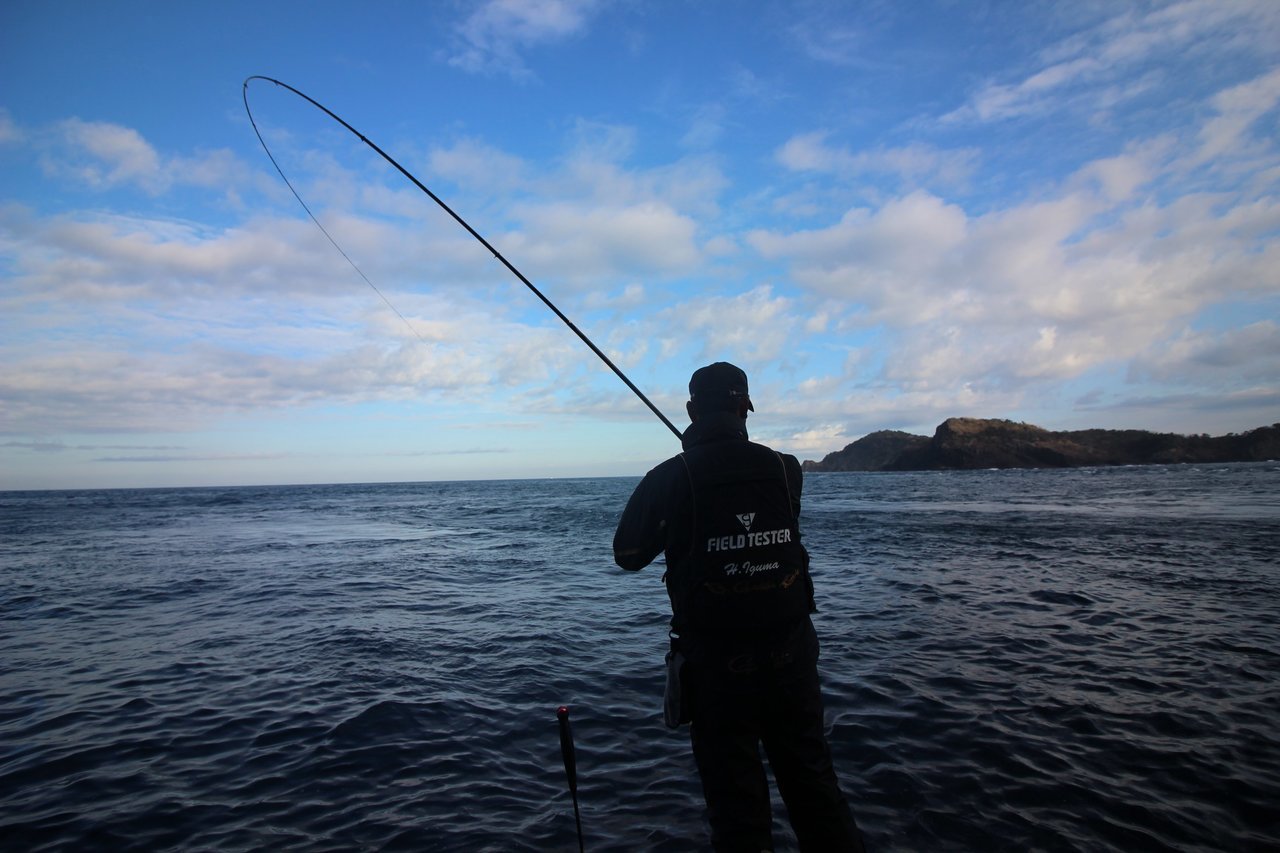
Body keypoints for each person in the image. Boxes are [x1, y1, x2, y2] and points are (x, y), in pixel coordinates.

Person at [613, 362, 865, 852]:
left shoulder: (671, 476)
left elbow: (627, 554)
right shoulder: (785, 468)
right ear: (743, 408)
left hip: (717, 673)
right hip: (793, 662)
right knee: (816, 792)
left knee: (738, 813)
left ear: (691, 411)